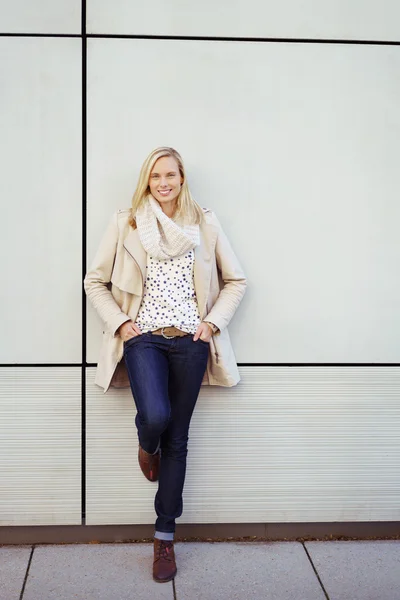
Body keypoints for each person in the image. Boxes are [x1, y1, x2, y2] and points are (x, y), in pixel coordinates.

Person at [84, 147, 246, 583]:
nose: (163, 182)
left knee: (179, 437)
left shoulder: (203, 223)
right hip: (145, 341)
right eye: (156, 175)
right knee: (155, 416)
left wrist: (211, 324)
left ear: (181, 177)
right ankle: (145, 444)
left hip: (190, 342)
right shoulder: (128, 221)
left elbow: (236, 281)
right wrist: (121, 324)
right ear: (147, 179)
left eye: (170, 174)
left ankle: (164, 537)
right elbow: (94, 281)